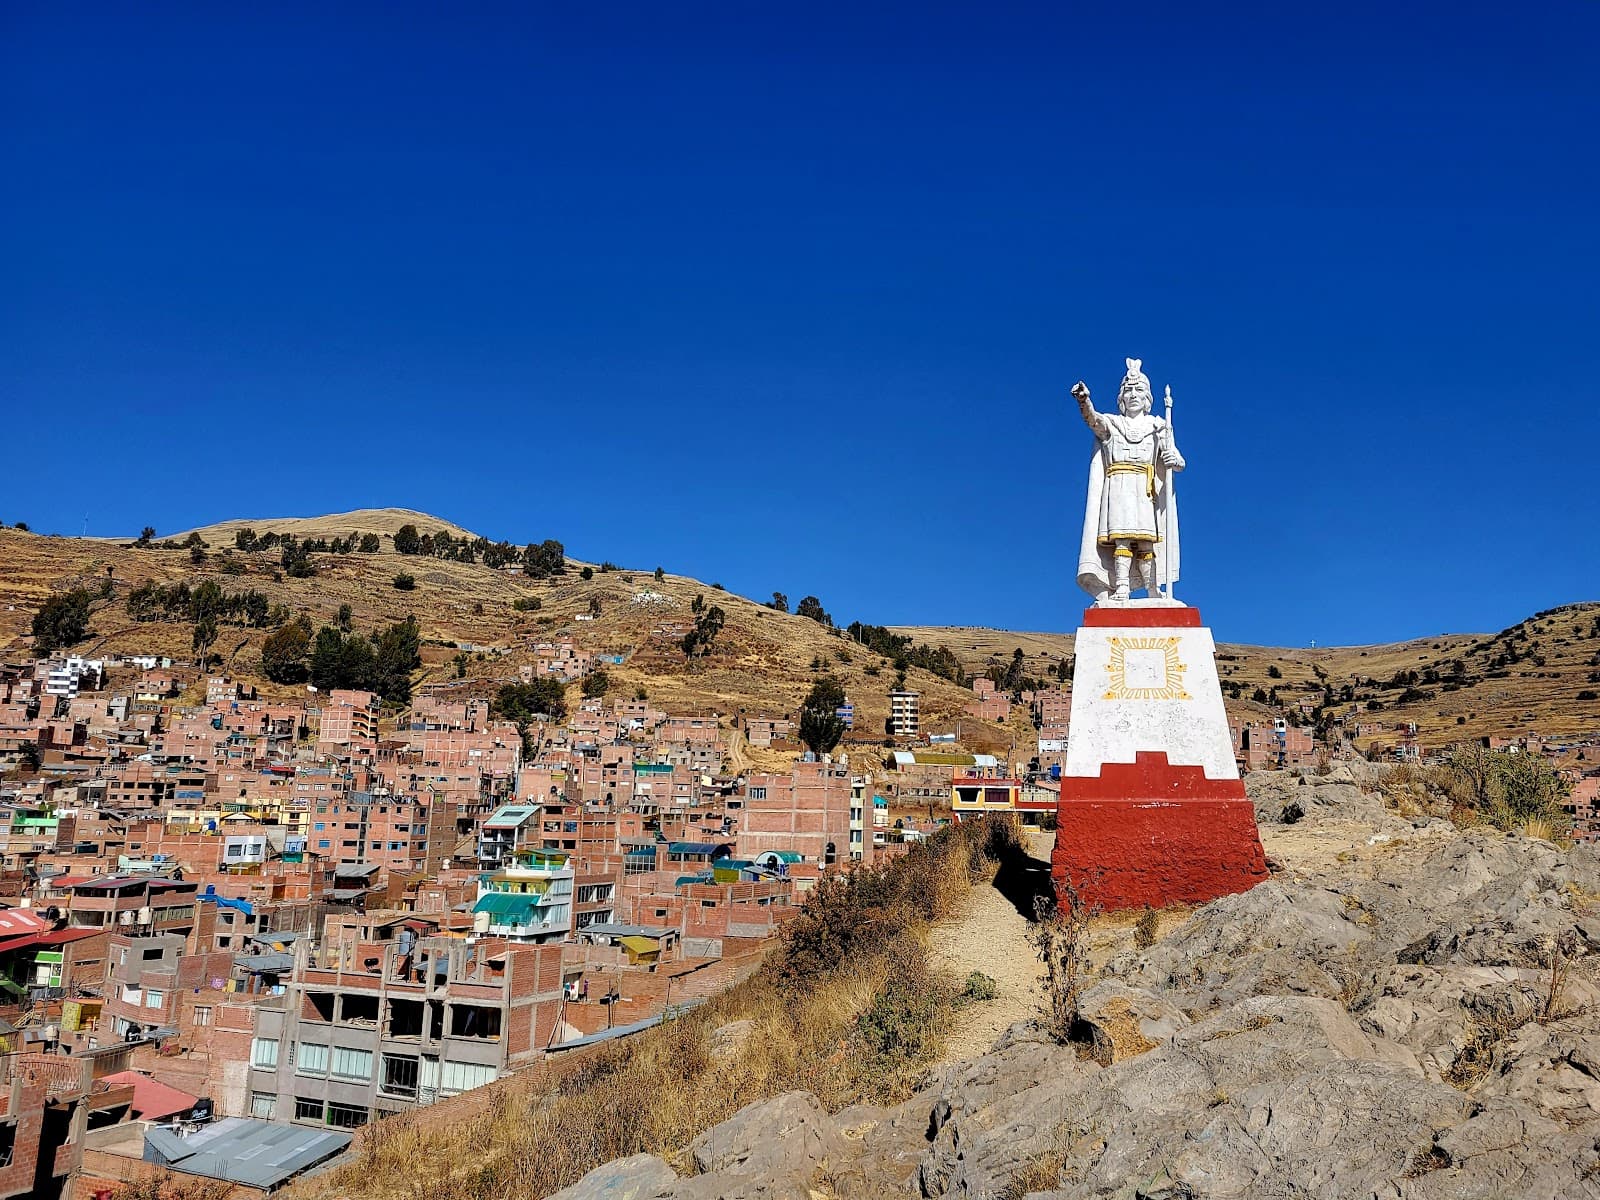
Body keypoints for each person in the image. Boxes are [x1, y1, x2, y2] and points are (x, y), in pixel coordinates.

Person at [1073, 358, 1184, 602]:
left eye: (1139, 390)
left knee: (1146, 542)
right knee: (1121, 539)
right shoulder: (1113, 423)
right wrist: (1084, 401)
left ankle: (1152, 588)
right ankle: (1121, 586)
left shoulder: (1159, 426)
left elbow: (1177, 459)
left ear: (1147, 397)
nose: (1133, 395)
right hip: (1118, 486)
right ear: (1122, 397)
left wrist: (1173, 459)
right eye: (1129, 390)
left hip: (1144, 488)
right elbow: (1094, 420)